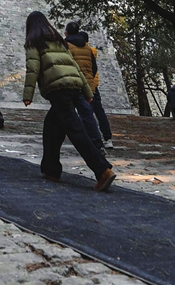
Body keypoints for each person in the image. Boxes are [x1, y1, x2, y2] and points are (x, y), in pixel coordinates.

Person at [22, 11, 115, 192]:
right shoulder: (59, 41)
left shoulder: (34, 42)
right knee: (51, 127)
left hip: (59, 90)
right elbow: (75, 67)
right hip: (73, 87)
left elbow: (32, 68)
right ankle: (51, 170)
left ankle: (102, 170)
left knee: (76, 130)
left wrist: (28, 95)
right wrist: (87, 91)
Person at [65, 22, 110, 150]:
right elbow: (94, 67)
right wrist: (89, 80)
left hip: (72, 84)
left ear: (66, 32)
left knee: (65, 113)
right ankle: (97, 143)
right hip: (88, 85)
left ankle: (84, 142)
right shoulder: (88, 49)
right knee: (88, 115)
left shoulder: (65, 45)